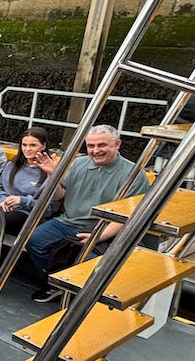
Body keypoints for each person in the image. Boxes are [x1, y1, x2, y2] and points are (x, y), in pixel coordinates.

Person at [25, 124, 152, 302]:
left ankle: (81, 297)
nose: (95, 150)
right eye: (91, 146)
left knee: (89, 259)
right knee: (35, 240)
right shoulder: (78, 163)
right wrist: (52, 175)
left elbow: (128, 217)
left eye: (102, 145)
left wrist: (98, 236)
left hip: (103, 227)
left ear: (117, 144)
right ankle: (57, 284)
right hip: (68, 222)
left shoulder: (133, 174)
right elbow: (58, 195)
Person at [0, 126, 57, 256]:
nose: (27, 149)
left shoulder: (50, 171)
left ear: (43, 146)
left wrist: (22, 201)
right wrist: (3, 200)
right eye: (24, 145)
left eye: (33, 145)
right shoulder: (12, 165)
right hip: (2, 206)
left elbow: (49, 208)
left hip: (27, 213)